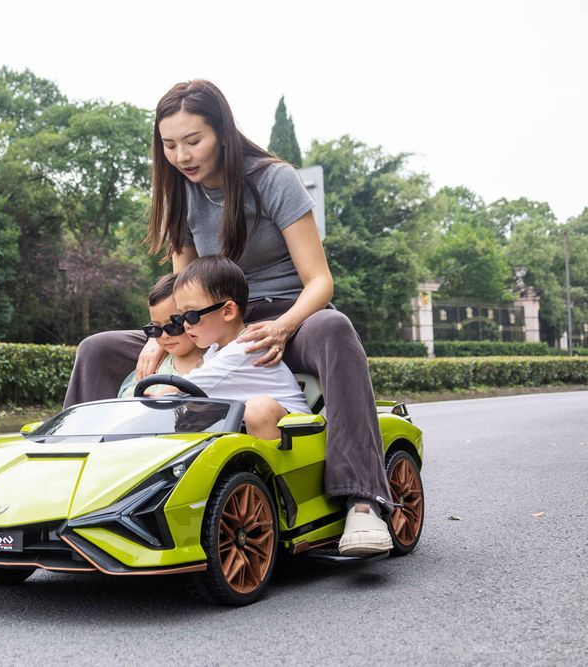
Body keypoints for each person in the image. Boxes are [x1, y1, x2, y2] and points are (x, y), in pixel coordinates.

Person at [63, 79, 393, 556]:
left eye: (193, 141)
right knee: (98, 349)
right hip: (207, 316)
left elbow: (319, 281)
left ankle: (362, 502)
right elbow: (183, 288)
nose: (181, 156)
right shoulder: (178, 192)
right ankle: (80, 481)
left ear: (222, 132)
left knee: (334, 330)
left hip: (282, 312)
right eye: (170, 145)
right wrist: (166, 332)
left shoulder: (274, 178)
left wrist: (283, 326)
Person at [148, 257, 309, 439]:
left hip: (298, 434)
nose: (185, 325)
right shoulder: (215, 350)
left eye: (191, 315)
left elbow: (189, 385)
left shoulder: (246, 348)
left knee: (259, 408)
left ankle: (270, 468)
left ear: (227, 311)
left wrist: (154, 398)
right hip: (261, 432)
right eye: (180, 318)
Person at [116, 274, 204, 398]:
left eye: (173, 326)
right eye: (155, 329)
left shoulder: (213, 359)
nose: (164, 335)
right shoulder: (156, 363)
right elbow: (131, 391)